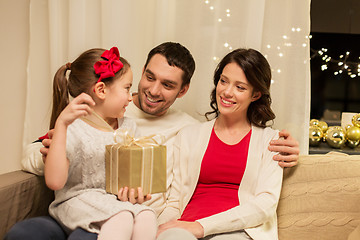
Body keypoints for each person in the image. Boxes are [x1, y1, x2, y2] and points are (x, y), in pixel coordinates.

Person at [5, 42, 299, 240]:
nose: (153, 90)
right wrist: (51, 150)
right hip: (81, 205)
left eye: (168, 85)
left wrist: (290, 148)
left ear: (183, 91)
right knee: (28, 232)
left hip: (129, 216)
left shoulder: (187, 129)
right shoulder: (103, 104)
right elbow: (35, 157)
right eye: (149, 77)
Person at [157, 48, 284, 240]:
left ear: (256, 94)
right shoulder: (188, 135)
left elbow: (264, 206)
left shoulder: (271, 141)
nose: (227, 92)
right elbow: (174, 202)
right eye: (224, 81)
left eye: (240, 87)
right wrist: (158, 229)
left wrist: (201, 226)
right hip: (184, 230)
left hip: (236, 232)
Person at [44, 46, 157, 240]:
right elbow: (55, 182)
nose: (131, 97)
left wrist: (135, 192)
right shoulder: (72, 128)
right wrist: (61, 124)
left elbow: (133, 178)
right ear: (101, 90)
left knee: (147, 216)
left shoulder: (128, 126)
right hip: (76, 201)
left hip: (113, 202)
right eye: (127, 88)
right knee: (121, 217)